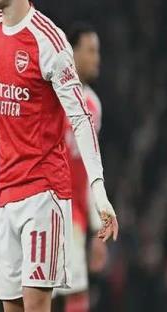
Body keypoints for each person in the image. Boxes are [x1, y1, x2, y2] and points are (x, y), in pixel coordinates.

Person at [0, 0, 118, 312]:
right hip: (5, 195)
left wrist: (99, 192)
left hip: (44, 195)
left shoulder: (50, 42)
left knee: (38, 305)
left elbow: (81, 119)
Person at [53, 23, 108, 312]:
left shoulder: (93, 105)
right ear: (72, 53)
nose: (96, 58)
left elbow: (90, 169)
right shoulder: (53, 95)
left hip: (73, 214)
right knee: (35, 297)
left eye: (97, 51)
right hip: (43, 205)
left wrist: (98, 228)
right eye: (90, 51)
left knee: (76, 295)